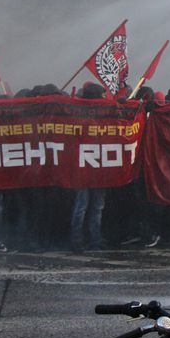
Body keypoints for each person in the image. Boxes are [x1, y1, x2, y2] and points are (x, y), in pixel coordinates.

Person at [70, 82, 109, 251]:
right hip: (85, 167)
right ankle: (77, 240)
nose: (104, 98)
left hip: (97, 167)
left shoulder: (105, 114)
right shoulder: (77, 114)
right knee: (83, 206)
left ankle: (95, 239)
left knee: (94, 206)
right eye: (102, 95)